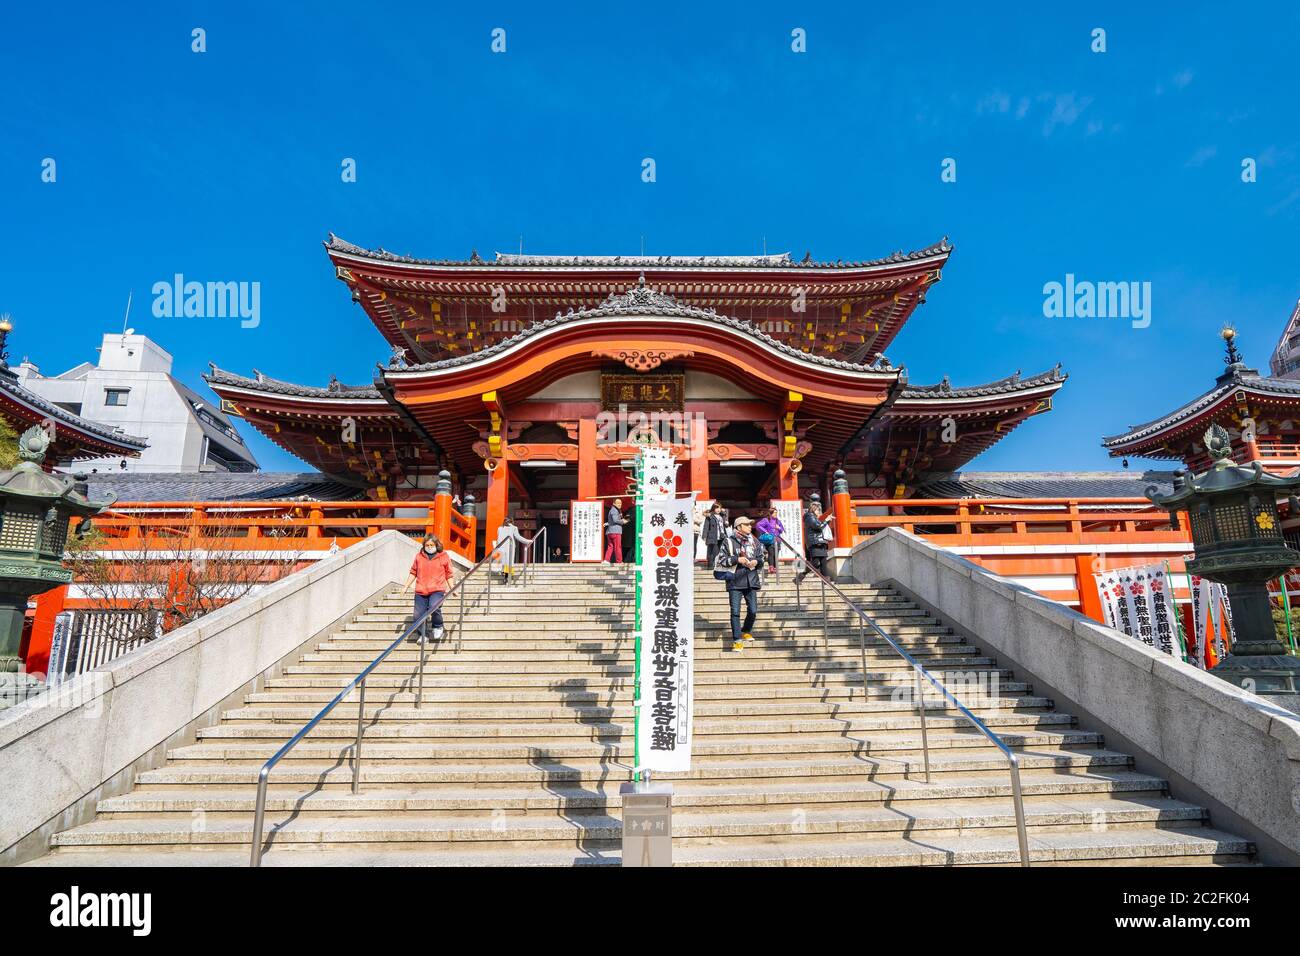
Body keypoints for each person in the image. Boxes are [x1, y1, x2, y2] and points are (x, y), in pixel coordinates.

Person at [718, 515, 766, 652]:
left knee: (753, 610)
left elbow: (762, 557)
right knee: (735, 612)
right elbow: (722, 560)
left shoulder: (755, 541)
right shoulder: (728, 541)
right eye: (746, 524)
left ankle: (746, 630)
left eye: (750, 524)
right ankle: (737, 640)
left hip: (751, 579)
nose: (750, 526)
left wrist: (757, 562)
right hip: (734, 580)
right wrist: (737, 559)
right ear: (738, 527)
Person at [403, 533, 455, 643]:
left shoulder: (443, 556)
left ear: (437, 545)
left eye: (432, 545)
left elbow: (449, 574)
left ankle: (438, 626)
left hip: (437, 589)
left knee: (434, 606)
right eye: (427, 545)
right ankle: (423, 635)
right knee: (418, 614)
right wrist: (406, 586)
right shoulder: (419, 556)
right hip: (421, 590)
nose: (429, 547)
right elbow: (413, 572)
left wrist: (452, 588)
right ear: (424, 545)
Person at [798, 499, 833, 583]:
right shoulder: (809, 517)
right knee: (815, 563)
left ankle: (825, 579)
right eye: (818, 510)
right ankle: (801, 575)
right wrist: (826, 520)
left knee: (823, 561)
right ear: (813, 509)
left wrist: (825, 520)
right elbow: (817, 527)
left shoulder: (815, 518)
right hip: (815, 542)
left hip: (821, 542)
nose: (819, 512)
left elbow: (820, 526)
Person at [494, 516, 528, 584]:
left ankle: (506, 577)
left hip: (505, 547)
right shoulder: (507, 528)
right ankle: (506, 577)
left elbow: (498, 539)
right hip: (505, 547)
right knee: (506, 562)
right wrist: (527, 541)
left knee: (506, 562)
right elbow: (518, 537)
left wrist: (527, 541)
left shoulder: (503, 528)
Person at [754, 507, 786, 579]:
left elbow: (781, 530)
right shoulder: (766, 520)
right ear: (771, 513)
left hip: (777, 540)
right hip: (770, 540)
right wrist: (765, 531)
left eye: (776, 513)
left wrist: (779, 528)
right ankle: (771, 567)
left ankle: (774, 567)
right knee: (771, 553)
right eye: (775, 513)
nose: (776, 514)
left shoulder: (778, 521)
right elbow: (758, 525)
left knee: (776, 554)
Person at [701, 502, 727, 569]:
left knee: (721, 551)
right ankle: (710, 566)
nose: (718, 509)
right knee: (712, 551)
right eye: (717, 508)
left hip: (721, 536)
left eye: (720, 508)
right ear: (713, 508)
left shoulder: (722, 516)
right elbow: (706, 526)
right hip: (712, 536)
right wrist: (704, 536)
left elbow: (725, 525)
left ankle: (718, 565)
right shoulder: (710, 516)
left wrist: (724, 514)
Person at [604, 498, 626, 563]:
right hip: (615, 531)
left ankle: (606, 560)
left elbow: (611, 521)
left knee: (610, 546)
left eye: (620, 503)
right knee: (617, 547)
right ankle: (619, 561)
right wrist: (623, 521)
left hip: (610, 531)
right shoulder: (614, 510)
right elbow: (615, 520)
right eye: (618, 503)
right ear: (614, 503)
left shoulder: (613, 510)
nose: (620, 504)